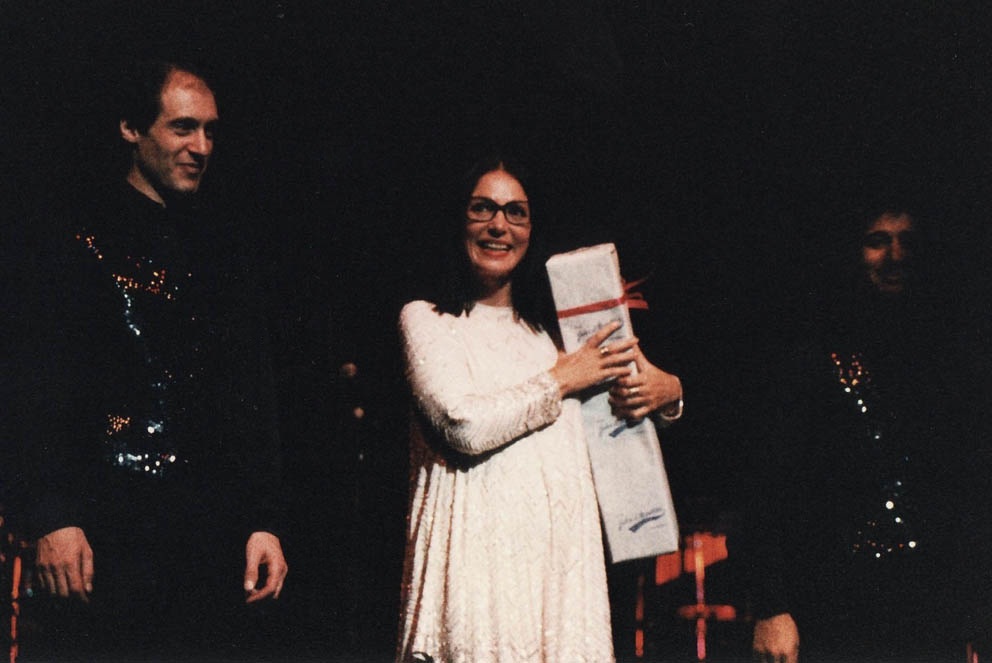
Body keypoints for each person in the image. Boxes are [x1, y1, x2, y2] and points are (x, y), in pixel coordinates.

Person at [10, 59, 288, 660]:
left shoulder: (226, 248)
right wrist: (53, 513)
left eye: (210, 131)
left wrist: (264, 520)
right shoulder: (73, 238)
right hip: (106, 531)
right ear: (132, 129)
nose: (201, 147)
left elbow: (251, 395)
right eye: (183, 127)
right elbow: (37, 384)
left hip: (210, 538)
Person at [395, 154, 683, 663]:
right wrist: (562, 378)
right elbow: (463, 424)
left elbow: (624, 424)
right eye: (482, 208)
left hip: (558, 576)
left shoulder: (555, 336)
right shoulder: (428, 320)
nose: (499, 225)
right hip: (476, 573)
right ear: (459, 220)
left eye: (516, 212)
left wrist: (669, 393)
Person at [740, 202, 988, 662]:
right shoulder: (812, 355)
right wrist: (771, 605)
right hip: (832, 602)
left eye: (907, 241)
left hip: (933, 606)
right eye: (878, 241)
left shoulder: (953, 359)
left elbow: (970, 491)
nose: (895, 255)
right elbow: (768, 485)